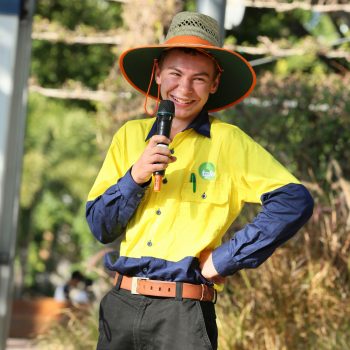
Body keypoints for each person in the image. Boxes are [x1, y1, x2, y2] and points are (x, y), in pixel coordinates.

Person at [86, 11, 313, 350]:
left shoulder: (229, 142)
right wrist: (136, 176)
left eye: (199, 79)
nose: (184, 89)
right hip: (121, 307)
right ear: (158, 74)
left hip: (184, 313)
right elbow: (100, 226)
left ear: (215, 84)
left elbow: (294, 200)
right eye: (175, 74)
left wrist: (224, 259)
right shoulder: (129, 136)